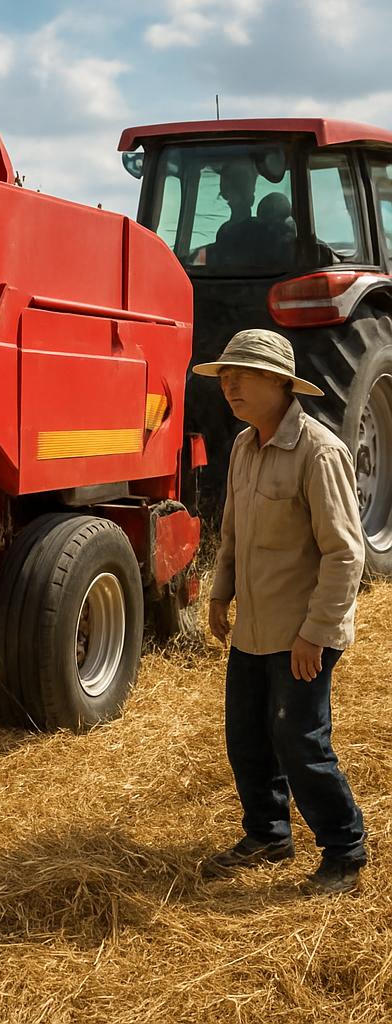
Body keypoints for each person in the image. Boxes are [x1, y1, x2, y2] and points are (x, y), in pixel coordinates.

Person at [191, 328, 367, 895]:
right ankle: (267, 834)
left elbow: (345, 553)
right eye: (225, 376)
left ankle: (344, 850)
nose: (230, 385)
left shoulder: (320, 452)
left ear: (280, 383)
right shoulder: (244, 447)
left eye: (242, 375)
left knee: (299, 740)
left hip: (301, 632)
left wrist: (315, 634)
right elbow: (232, 532)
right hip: (254, 627)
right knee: (246, 734)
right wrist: (219, 594)